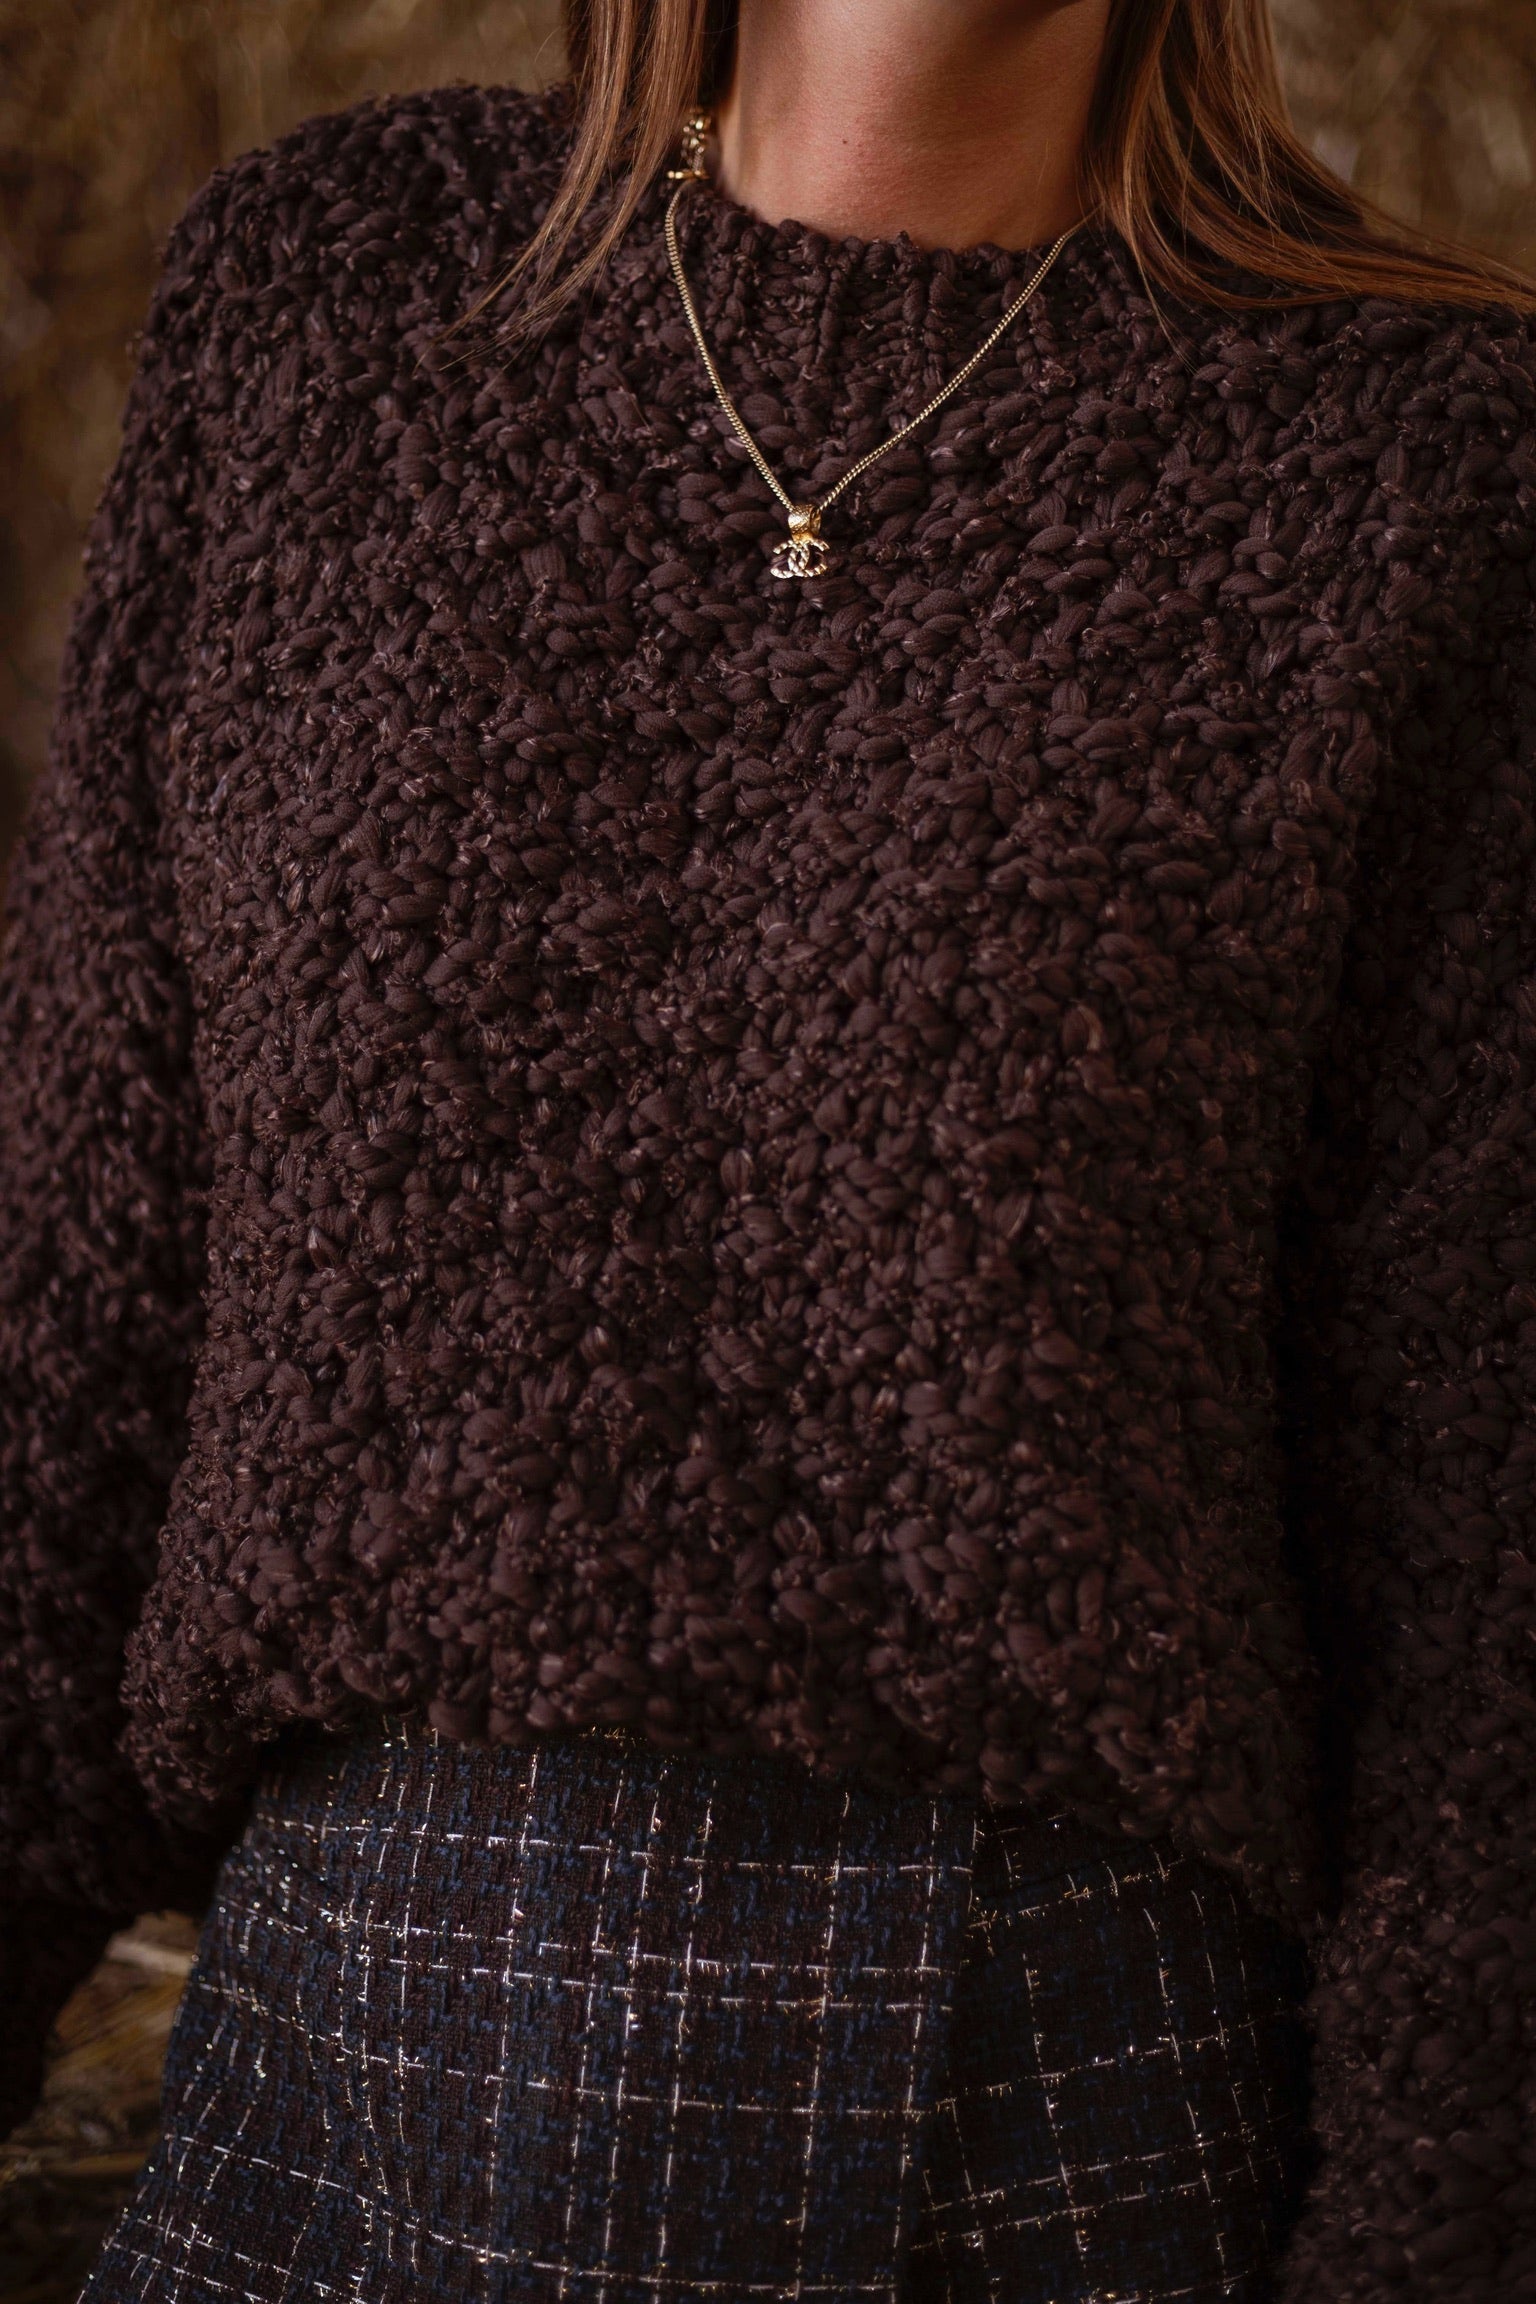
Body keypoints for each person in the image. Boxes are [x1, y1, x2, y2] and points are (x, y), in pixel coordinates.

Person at [2, 0, 1534, 2295]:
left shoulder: (1430, 464)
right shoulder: (328, 293)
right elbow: (72, 1306)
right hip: (325, 2103)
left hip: (1059, 2132)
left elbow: (1488, 1556)